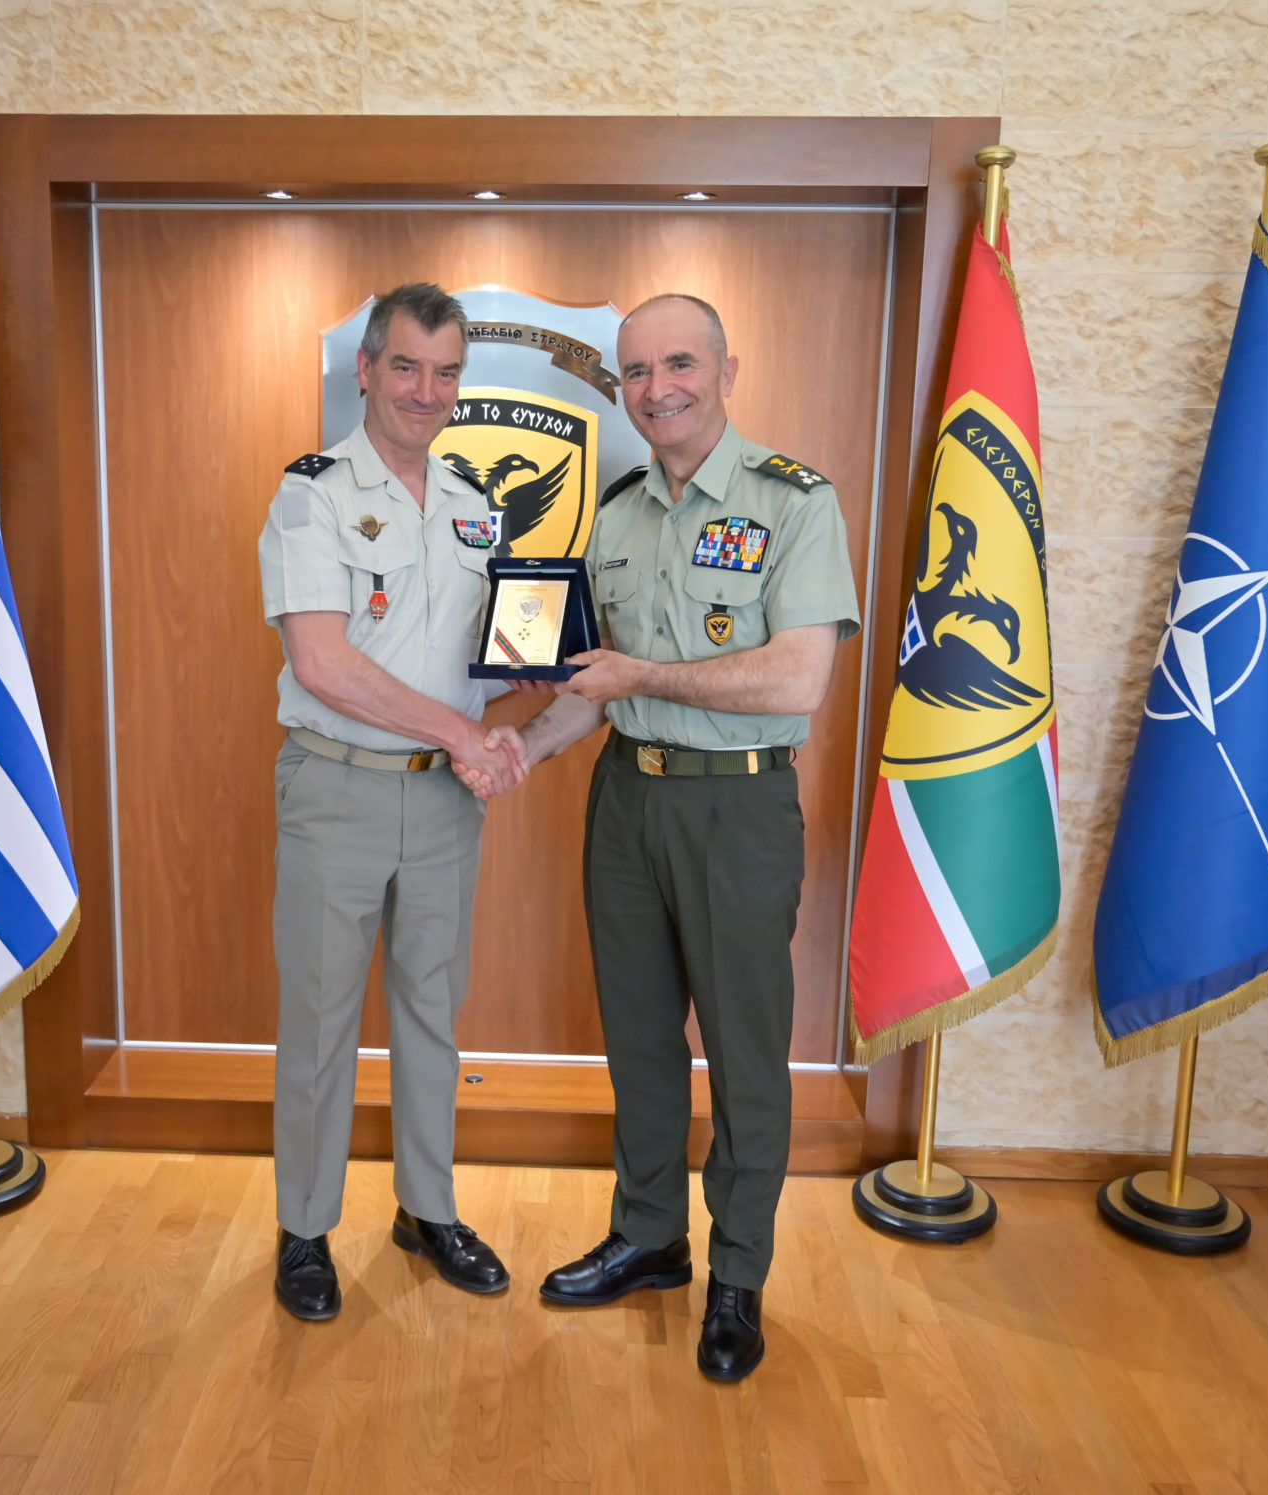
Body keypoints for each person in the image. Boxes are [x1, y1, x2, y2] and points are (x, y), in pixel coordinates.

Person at [459, 293, 861, 1381]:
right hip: (626, 802)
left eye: (678, 363)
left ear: (727, 369)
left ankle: (737, 1274)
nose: (656, 388)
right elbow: (593, 686)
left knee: (741, 1050)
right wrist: (517, 750)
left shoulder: (793, 502)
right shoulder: (619, 510)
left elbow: (797, 677)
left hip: (736, 808)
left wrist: (642, 673)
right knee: (638, 1038)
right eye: (635, 371)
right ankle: (648, 1235)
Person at [258, 282, 527, 1321]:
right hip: (339, 787)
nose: (426, 390)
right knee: (320, 1021)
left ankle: (428, 1208)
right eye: (406, 366)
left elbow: (487, 654)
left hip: (444, 799)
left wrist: (548, 666)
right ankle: (304, 1227)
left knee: (431, 1012)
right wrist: (462, 732)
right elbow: (323, 664)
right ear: (365, 370)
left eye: (446, 371)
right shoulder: (314, 495)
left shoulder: (471, 502)